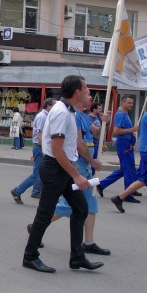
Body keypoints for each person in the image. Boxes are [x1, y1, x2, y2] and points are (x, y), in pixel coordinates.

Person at [23, 75, 103, 273]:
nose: (88, 93)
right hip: (54, 168)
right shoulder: (61, 112)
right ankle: (30, 256)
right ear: (77, 92)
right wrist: (76, 175)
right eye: (86, 90)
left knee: (81, 208)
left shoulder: (70, 112)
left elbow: (69, 145)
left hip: (63, 167)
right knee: (45, 213)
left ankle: (77, 257)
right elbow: (57, 149)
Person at [46, 97, 111, 256]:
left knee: (90, 204)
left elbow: (96, 133)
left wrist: (104, 123)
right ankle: (37, 226)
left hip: (85, 166)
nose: (90, 96)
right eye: (87, 92)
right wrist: (91, 160)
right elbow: (78, 142)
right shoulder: (73, 116)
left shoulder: (84, 116)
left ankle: (89, 242)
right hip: (79, 164)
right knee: (69, 205)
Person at [96, 95, 141, 203]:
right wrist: (132, 130)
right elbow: (116, 131)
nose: (131, 105)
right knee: (129, 169)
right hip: (124, 144)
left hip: (126, 143)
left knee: (124, 169)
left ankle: (102, 185)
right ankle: (128, 194)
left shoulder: (124, 114)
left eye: (132, 103)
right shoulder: (121, 114)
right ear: (123, 103)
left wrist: (131, 132)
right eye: (129, 103)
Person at [11, 98, 55, 204]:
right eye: (54, 105)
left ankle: (36, 191)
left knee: (41, 172)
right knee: (37, 174)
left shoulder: (45, 116)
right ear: (48, 106)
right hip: (40, 147)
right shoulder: (43, 116)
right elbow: (40, 135)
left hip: (39, 148)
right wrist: (46, 150)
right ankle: (17, 190)